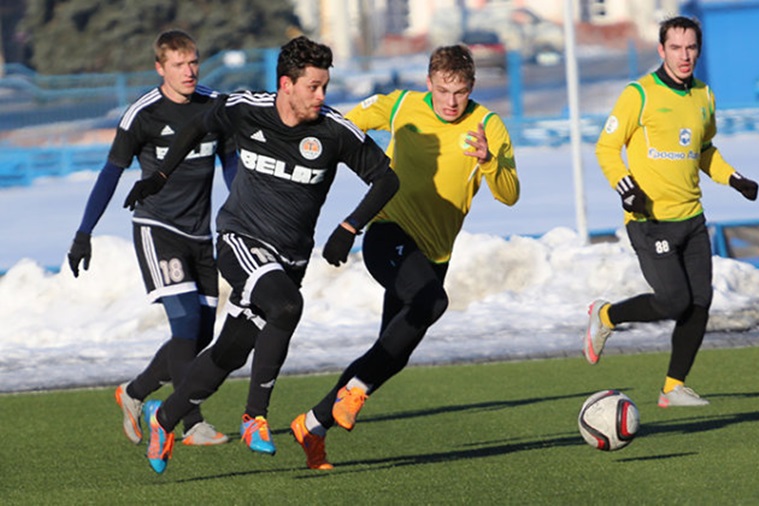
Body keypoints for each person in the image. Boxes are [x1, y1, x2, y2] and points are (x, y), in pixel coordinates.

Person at [122, 35, 399, 474]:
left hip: (289, 260)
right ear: (286, 84)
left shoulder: (333, 130)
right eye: (313, 86)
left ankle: (164, 418)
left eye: (325, 86)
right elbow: (196, 126)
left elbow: (386, 179)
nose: (321, 96)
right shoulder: (246, 108)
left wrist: (349, 227)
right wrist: (159, 176)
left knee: (228, 353)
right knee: (287, 306)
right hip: (240, 239)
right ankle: (255, 417)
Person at [289, 44, 520, 470]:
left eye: (460, 92)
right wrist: (298, 141)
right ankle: (353, 392)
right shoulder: (400, 106)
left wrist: (489, 161)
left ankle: (313, 424)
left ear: (472, 87)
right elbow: (342, 125)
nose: (451, 102)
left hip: (435, 255)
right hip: (388, 233)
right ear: (428, 83)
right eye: (443, 91)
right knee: (432, 302)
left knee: (392, 353)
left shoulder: (489, 126)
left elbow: (509, 195)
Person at [67, 29, 236, 446]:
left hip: (201, 234)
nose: (189, 71)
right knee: (185, 321)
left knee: (200, 335)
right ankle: (191, 422)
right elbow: (111, 173)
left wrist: (245, 215)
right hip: (157, 229)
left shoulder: (214, 107)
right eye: (179, 65)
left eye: (193, 62)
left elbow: (231, 165)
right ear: (160, 68)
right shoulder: (142, 114)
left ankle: (135, 392)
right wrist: (84, 233)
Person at [585, 16, 759, 407]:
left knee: (700, 302)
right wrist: (625, 187)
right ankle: (606, 316)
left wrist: (733, 178)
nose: (684, 56)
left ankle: (673, 386)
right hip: (651, 221)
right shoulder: (639, 94)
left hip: (692, 219)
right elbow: (606, 148)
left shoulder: (704, 96)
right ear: (661, 50)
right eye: (676, 48)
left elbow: (704, 150)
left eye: (691, 48)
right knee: (674, 301)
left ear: (699, 50)